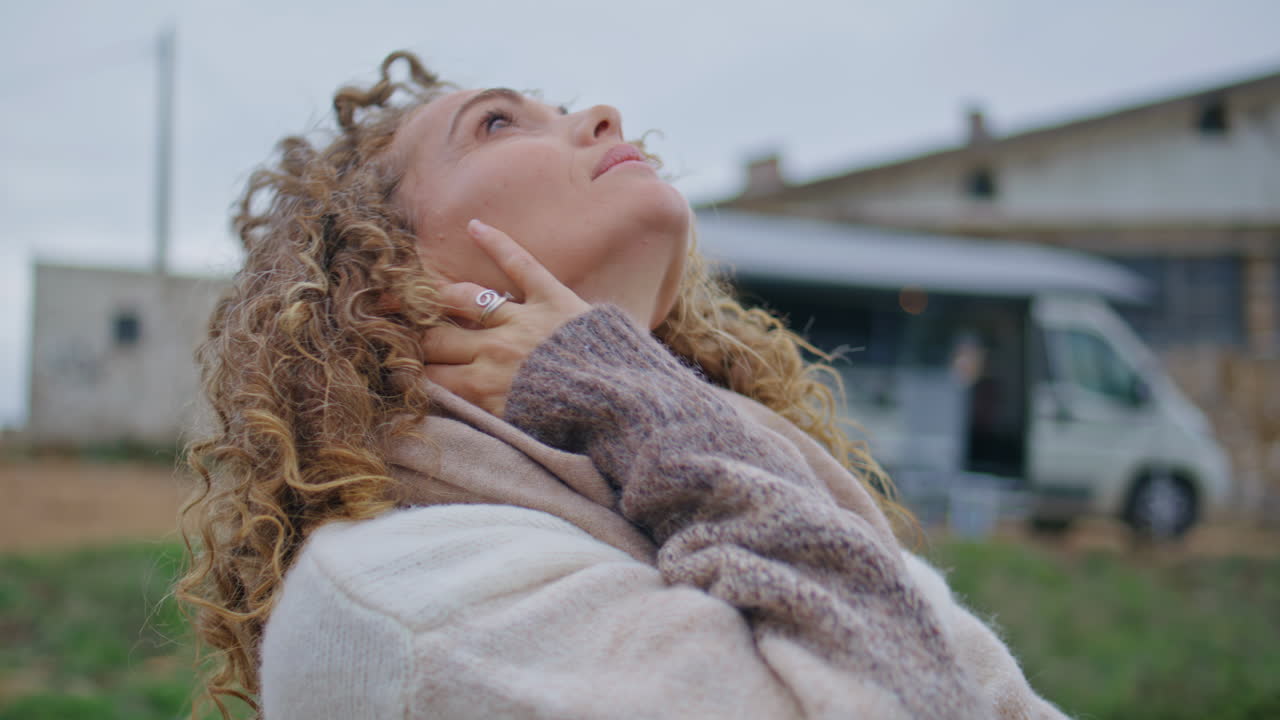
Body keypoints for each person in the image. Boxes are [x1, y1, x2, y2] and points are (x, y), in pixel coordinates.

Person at [177, 50, 1067, 719]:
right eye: (496, 123)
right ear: (383, 281)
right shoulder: (396, 596)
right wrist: (625, 395)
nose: (603, 115)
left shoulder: (712, 473)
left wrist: (629, 398)